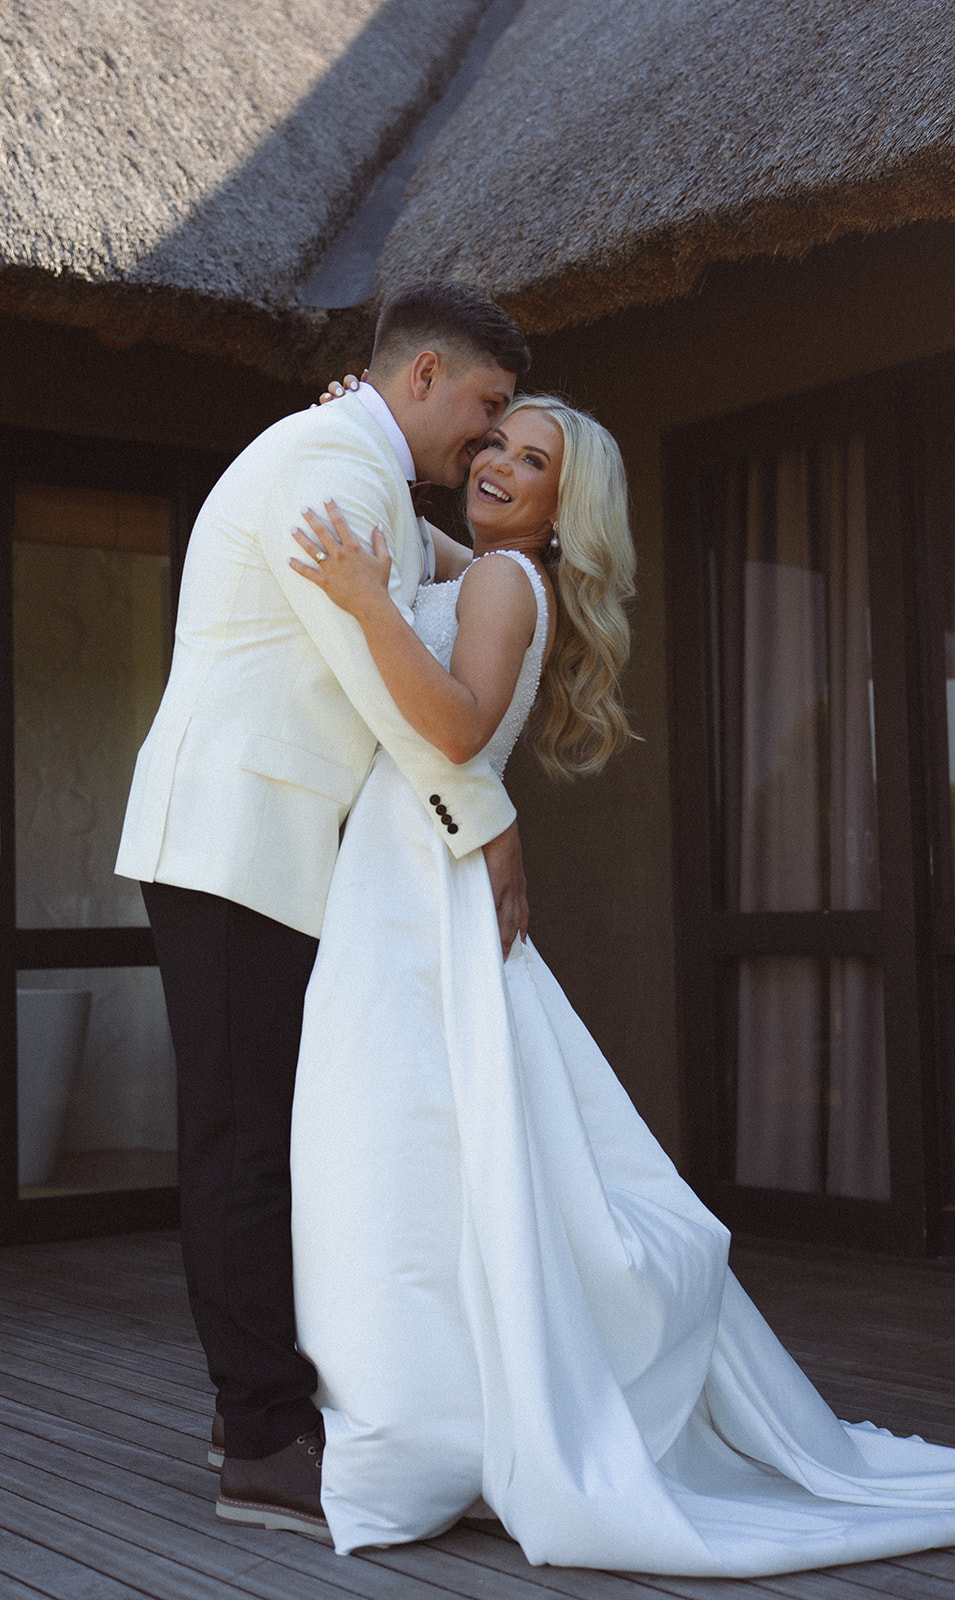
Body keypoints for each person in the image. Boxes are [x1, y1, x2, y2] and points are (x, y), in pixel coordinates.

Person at [287, 394, 955, 1575]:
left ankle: (433, 1428)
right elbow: (404, 517)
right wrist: (356, 425)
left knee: (401, 1142)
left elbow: (449, 726)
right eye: (492, 442)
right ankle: (442, 1420)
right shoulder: (485, 566)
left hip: (416, 873)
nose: (494, 461)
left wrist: (355, 601)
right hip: (412, 870)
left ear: (562, 506)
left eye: (527, 459)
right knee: (434, 1147)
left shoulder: (502, 585)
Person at [115, 282, 532, 1537]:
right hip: (236, 843)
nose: (489, 433)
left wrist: (535, 550)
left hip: (274, 850)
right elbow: (402, 699)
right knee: (239, 1143)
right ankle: (258, 1436)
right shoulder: (334, 478)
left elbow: (458, 579)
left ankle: (264, 1406)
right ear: (419, 379)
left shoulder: (362, 470)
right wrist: (492, 831)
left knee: (264, 1136)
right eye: (485, 405)